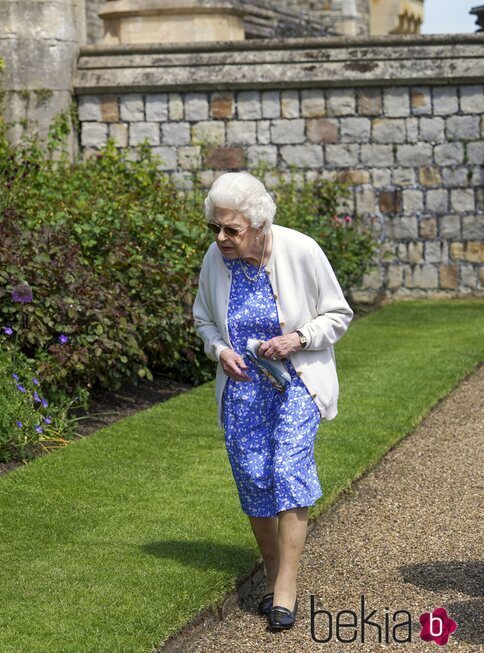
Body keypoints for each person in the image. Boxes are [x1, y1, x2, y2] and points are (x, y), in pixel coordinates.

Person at [192, 171, 353, 632]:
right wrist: (220, 350)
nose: (221, 238)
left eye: (231, 230)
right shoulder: (215, 259)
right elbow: (203, 319)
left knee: (287, 469)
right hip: (243, 388)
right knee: (254, 476)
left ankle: (286, 586)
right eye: (215, 228)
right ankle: (270, 568)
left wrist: (297, 338)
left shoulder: (300, 250)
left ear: (258, 226)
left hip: (296, 383)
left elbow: (338, 314)